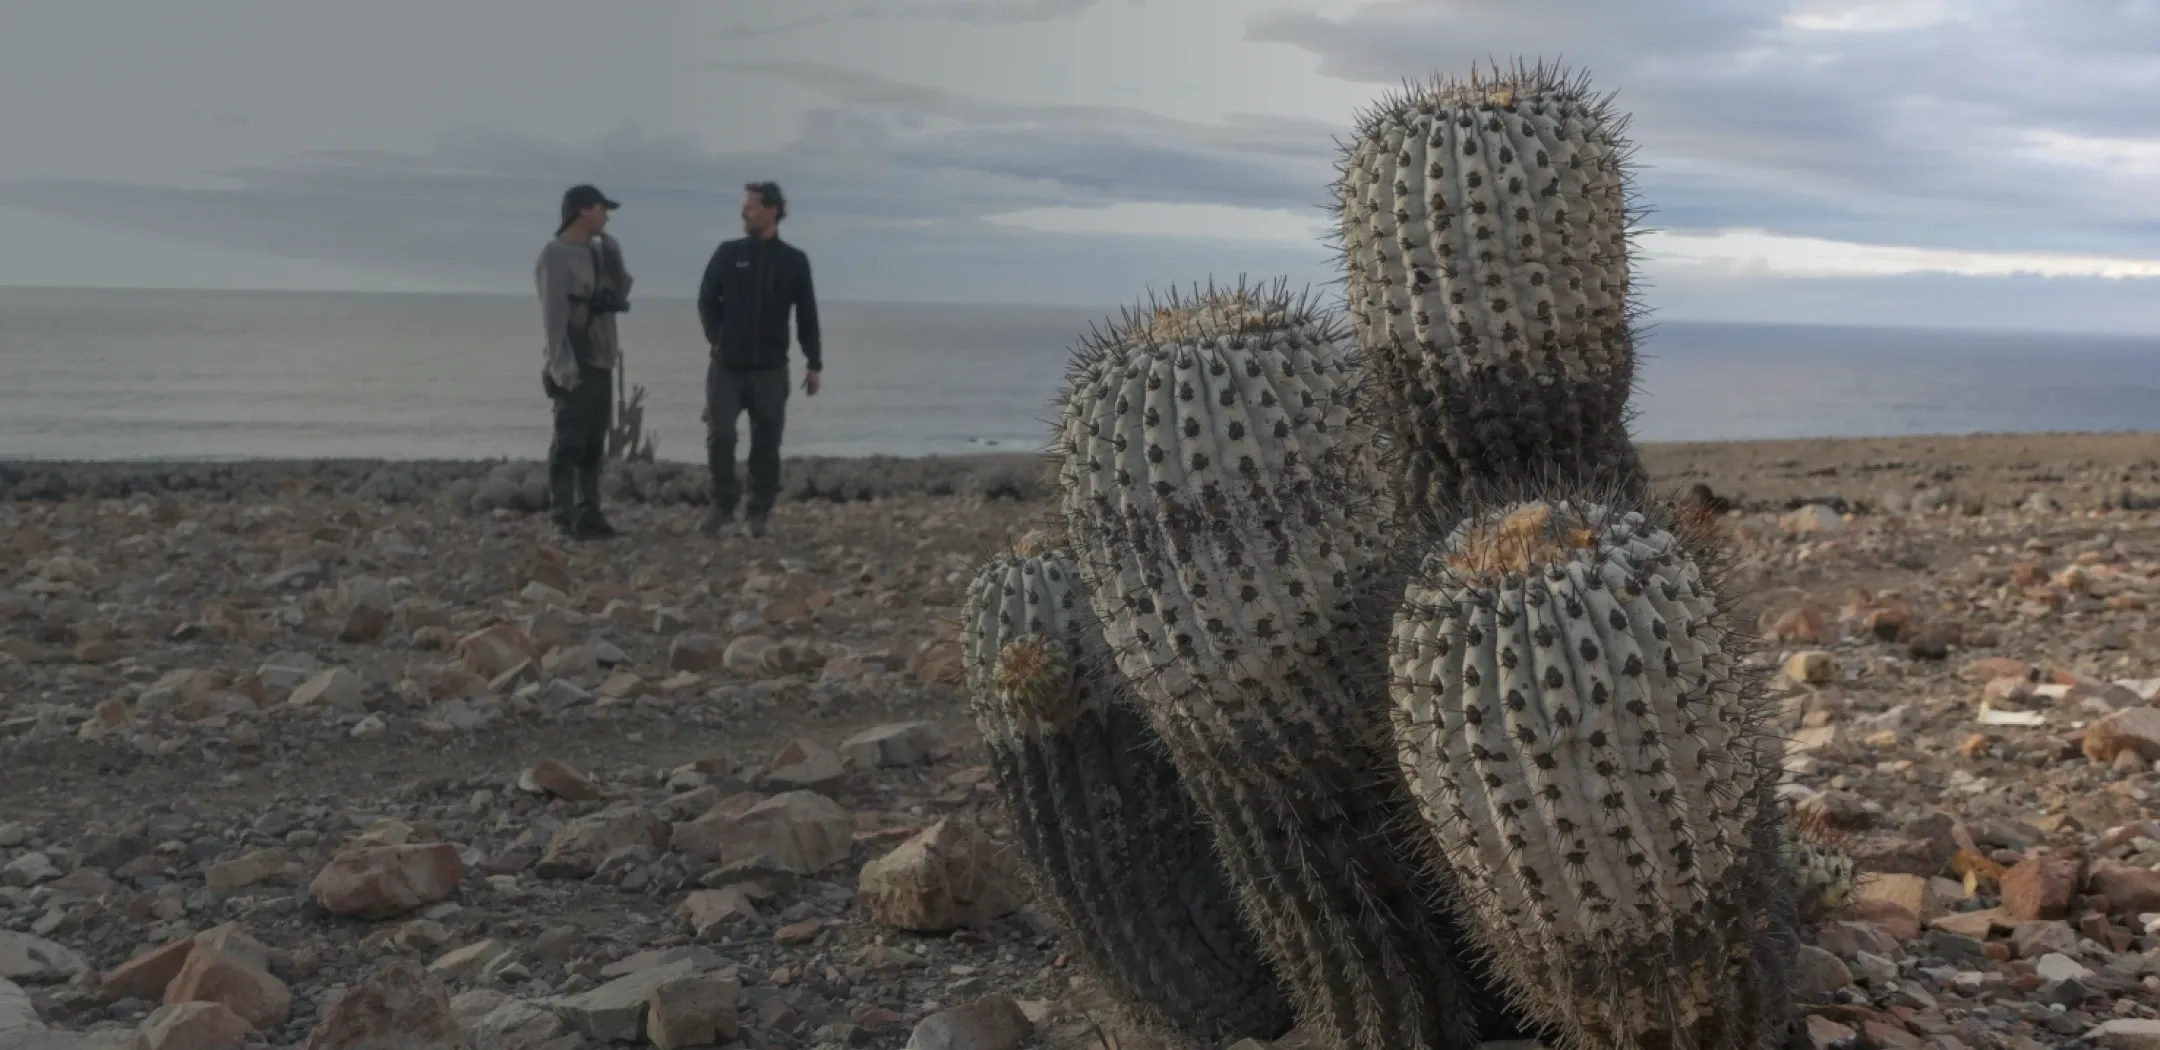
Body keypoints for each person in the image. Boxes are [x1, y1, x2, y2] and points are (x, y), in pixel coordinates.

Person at [696, 180, 823, 538]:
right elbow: (706, 300)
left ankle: (759, 512)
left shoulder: (793, 261)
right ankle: (722, 506)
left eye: (751, 206)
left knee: (767, 441)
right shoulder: (727, 253)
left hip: (770, 368)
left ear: (772, 210)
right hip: (726, 367)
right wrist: (719, 339)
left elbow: (807, 313)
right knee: (720, 436)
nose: (744, 212)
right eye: (743, 206)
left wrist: (814, 363)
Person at [535, 183, 634, 541]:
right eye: (601, 208)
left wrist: (613, 257)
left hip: (602, 358)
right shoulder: (555, 256)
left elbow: (620, 292)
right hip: (574, 360)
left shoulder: (599, 252)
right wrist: (562, 368)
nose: (607, 215)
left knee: (594, 442)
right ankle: (563, 516)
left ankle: (591, 512)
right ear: (582, 211)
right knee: (569, 440)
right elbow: (553, 317)